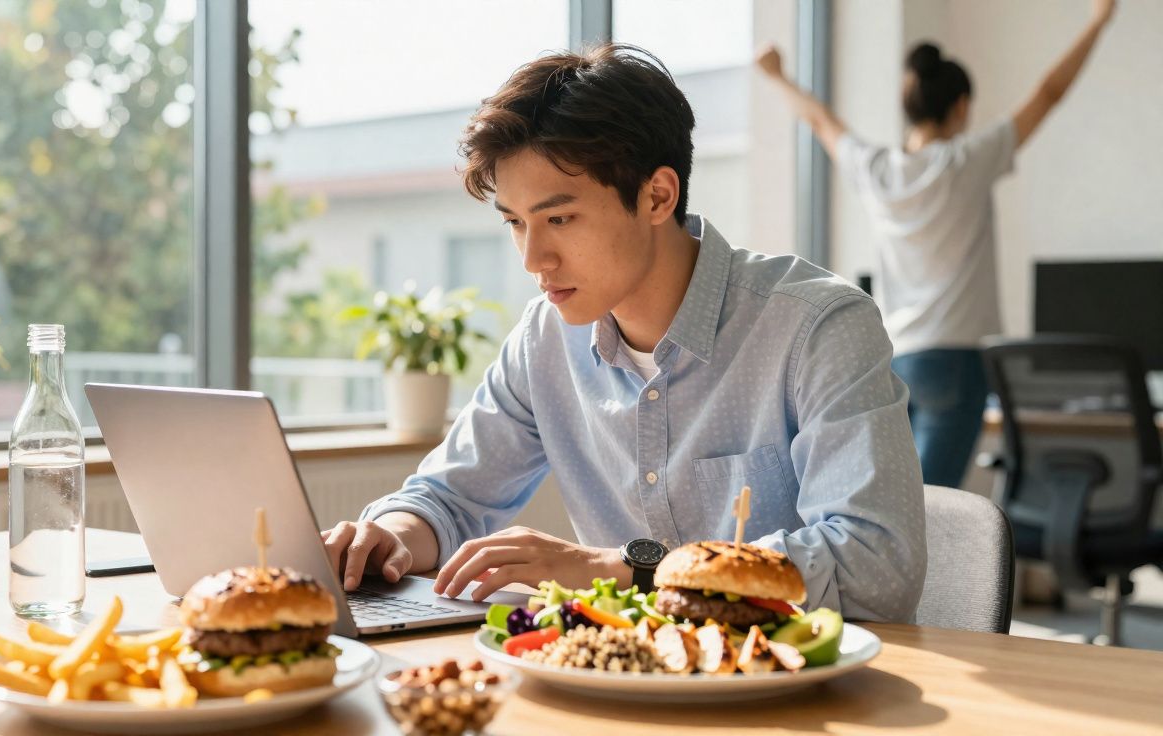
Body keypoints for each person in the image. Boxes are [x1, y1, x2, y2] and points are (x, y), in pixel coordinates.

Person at [323, 43, 926, 622]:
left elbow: (876, 567)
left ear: (658, 195)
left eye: (559, 218)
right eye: (515, 223)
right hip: (618, 685)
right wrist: (389, 537)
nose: (534, 259)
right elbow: (451, 498)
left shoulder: (817, 327)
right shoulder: (545, 340)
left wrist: (619, 570)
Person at [755, 0, 1117, 488]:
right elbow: (1048, 94)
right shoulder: (968, 160)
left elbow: (820, 121)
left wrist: (777, 77)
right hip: (958, 361)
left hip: (895, 360)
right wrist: (1097, 21)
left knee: (898, 502)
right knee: (932, 511)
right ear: (961, 106)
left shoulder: (877, 170)